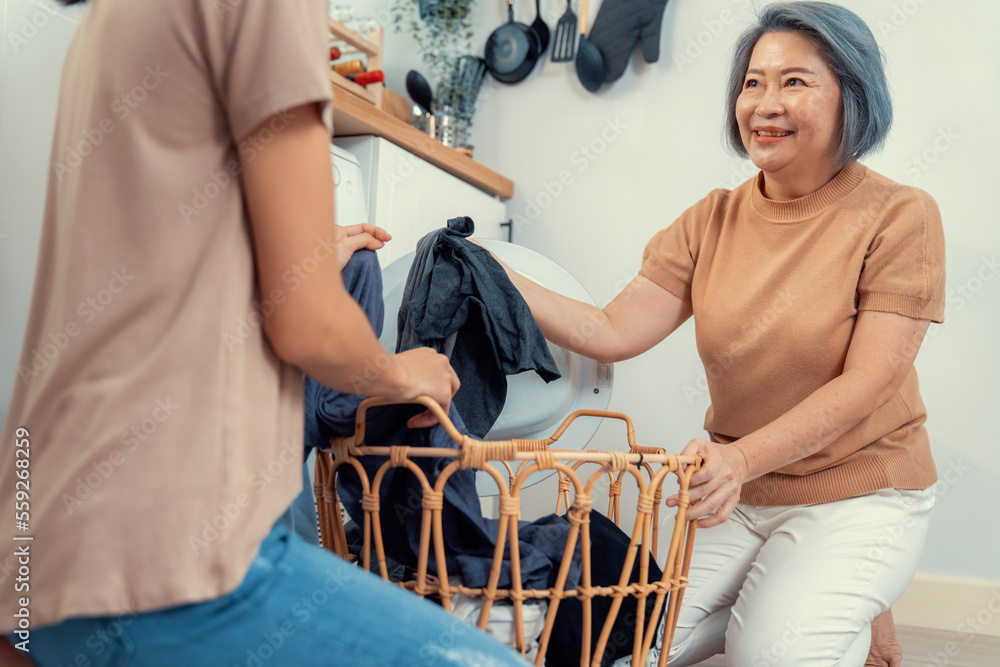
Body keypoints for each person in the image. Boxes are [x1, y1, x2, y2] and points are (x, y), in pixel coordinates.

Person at [0, 0, 531, 665]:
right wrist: (407, 370)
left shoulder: (108, 19)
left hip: (38, 542)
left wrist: (294, 255)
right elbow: (307, 324)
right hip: (172, 554)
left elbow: (153, 257)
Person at [483, 3, 943, 665]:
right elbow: (609, 329)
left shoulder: (900, 217)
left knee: (768, 652)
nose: (763, 103)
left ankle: (845, 591)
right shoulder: (712, 220)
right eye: (752, 82)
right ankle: (837, 596)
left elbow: (869, 383)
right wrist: (491, 272)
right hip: (743, 494)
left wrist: (737, 459)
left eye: (795, 82)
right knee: (625, 643)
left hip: (863, 490)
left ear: (853, 94)